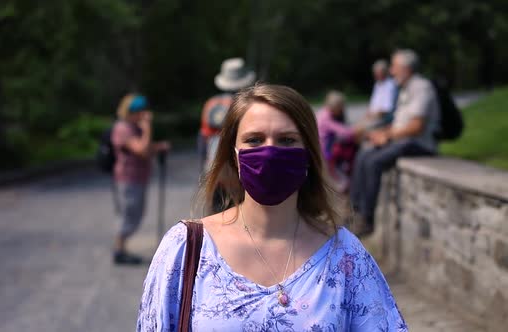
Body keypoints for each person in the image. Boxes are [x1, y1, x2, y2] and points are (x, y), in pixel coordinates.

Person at [137, 84, 407, 331]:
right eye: (254, 140)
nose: (270, 152)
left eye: (287, 140)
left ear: (309, 155)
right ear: (234, 155)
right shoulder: (186, 250)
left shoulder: (346, 257)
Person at [350, 49, 440, 236]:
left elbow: (416, 127)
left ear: (406, 68)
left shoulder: (421, 87)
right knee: (364, 155)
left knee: (374, 162)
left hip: (419, 144)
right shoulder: (406, 88)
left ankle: (367, 219)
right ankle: (355, 210)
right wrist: (381, 133)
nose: (392, 72)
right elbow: (400, 123)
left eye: (395, 67)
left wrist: (388, 137)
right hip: (404, 140)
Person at [111, 93, 170, 265]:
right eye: (140, 112)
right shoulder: (123, 128)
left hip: (138, 177)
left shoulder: (133, 127)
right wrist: (147, 127)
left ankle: (121, 248)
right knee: (130, 215)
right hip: (128, 178)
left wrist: (158, 147)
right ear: (131, 112)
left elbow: (145, 147)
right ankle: (119, 250)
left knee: (136, 214)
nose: (144, 115)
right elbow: (142, 150)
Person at [198, 57, 256, 212]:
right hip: (236, 169)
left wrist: (203, 165)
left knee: (216, 212)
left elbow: (203, 138)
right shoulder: (245, 106)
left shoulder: (210, 104)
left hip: (213, 166)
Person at [316, 91, 364, 192]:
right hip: (324, 152)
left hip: (325, 149)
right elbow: (344, 132)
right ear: (336, 106)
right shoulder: (325, 117)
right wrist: (358, 130)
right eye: (341, 107)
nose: (343, 109)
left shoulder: (324, 112)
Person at [362, 59, 398, 129]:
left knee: (363, 129)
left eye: (378, 72)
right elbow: (373, 104)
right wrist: (368, 114)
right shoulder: (377, 84)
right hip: (376, 116)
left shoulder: (391, 85)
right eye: (375, 73)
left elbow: (387, 109)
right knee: (358, 126)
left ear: (385, 72)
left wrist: (372, 116)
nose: (375, 75)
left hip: (385, 118)